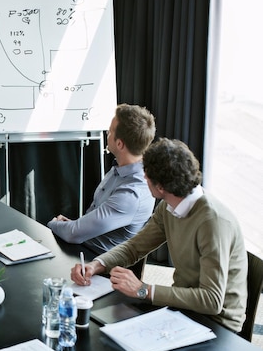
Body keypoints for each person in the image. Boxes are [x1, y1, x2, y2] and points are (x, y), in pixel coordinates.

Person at [70, 138, 247, 333]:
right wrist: (96, 265)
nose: (143, 179)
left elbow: (212, 300)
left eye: (146, 176)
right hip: (185, 310)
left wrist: (143, 290)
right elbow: (134, 247)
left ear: (161, 187)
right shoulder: (169, 206)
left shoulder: (213, 222)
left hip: (218, 325)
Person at [47, 103, 156, 254]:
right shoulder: (120, 168)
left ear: (119, 143)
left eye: (110, 131)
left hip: (96, 262)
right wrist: (73, 225)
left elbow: (74, 234)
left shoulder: (131, 194)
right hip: (83, 245)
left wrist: (52, 224)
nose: (106, 132)